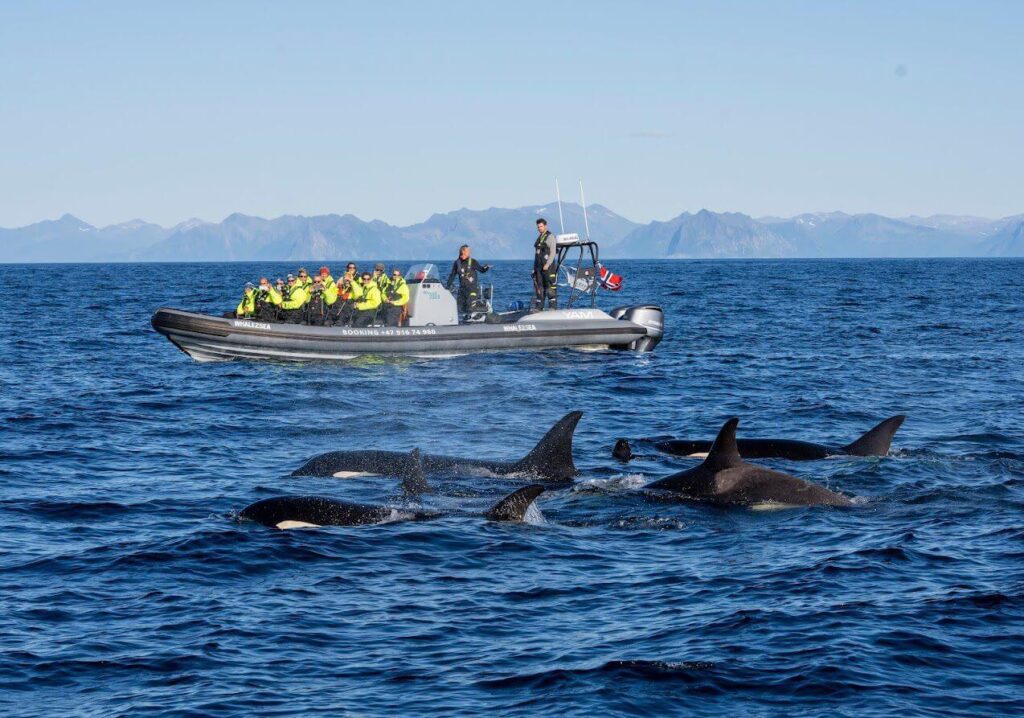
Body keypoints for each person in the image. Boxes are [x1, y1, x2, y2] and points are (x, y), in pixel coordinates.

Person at [445, 244, 491, 314]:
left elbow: (482, 270)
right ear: (463, 251)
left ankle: (485, 307)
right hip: (462, 289)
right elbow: (452, 275)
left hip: (472, 289)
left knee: (470, 308)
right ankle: (465, 320)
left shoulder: (473, 261)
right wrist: (447, 287)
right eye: (468, 250)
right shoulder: (457, 263)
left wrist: (486, 267)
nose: (470, 252)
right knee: (459, 309)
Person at [532, 218, 558, 311]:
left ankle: (552, 307)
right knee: (539, 286)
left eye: (541, 226)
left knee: (549, 285)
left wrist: (548, 264)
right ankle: (539, 307)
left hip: (548, 267)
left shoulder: (550, 237)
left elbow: (553, 252)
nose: (539, 228)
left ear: (545, 226)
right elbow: (537, 254)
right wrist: (534, 268)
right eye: (538, 227)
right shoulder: (539, 238)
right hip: (538, 267)